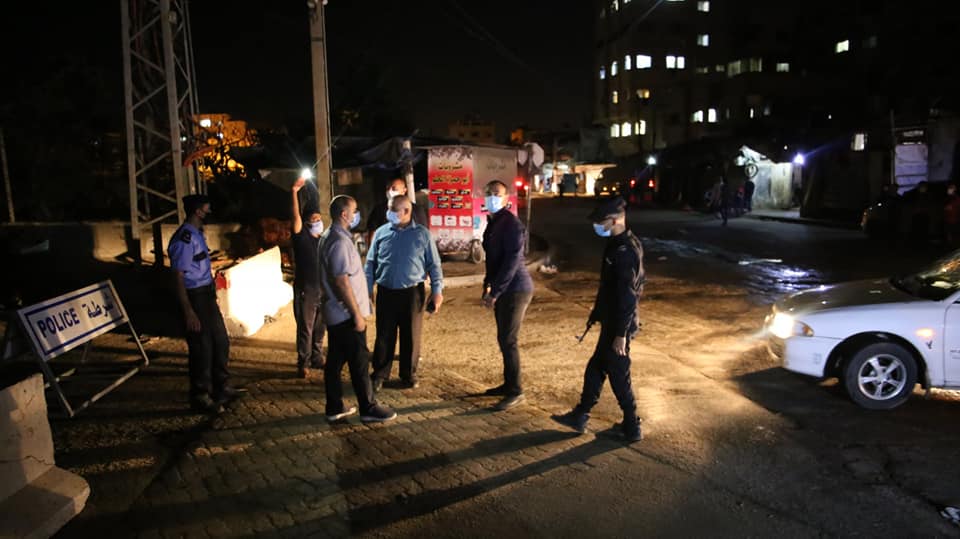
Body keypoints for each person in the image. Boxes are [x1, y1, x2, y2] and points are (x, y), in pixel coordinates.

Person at [552, 197, 645, 443]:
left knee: (618, 373)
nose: (597, 226)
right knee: (597, 367)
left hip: (619, 325)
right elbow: (608, 288)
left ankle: (632, 425)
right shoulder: (617, 243)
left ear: (615, 220)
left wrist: (621, 334)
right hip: (612, 320)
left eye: (600, 221)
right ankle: (581, 414)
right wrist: (597, 312)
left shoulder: (625, 251)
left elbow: (627, 296)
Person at [319, 195, 397, 423]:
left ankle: (334, 406)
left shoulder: (331, 236)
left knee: (335, 361)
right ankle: (368, 407)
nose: (356, 215)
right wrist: (356, 314)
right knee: (359, 362)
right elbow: (342, 280)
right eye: (354, 211)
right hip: (345, 315)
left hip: (336, 313)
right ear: (344, 215)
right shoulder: (338, 241)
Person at [168, 194, 242, 414]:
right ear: (198, 212)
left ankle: (222, 386)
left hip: (206, 295)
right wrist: (188, 310)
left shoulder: (198, 235)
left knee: (221, 341)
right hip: (194, 297)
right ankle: (200, 395)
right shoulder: (183, 239)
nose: (209, 214)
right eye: (207, 210)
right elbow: (178, 276)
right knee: (202, 347)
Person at [366, 195, 444, 391]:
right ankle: (380, 374)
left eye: (393, 210)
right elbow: (370, 263)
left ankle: (408, 374)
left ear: (407, 212)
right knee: (384, 335)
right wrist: (368, 289)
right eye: (389, 209)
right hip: (385, 291)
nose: (388, 213)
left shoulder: (422, 235)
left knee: (411, 335)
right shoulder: (382, 233)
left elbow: (434, 265)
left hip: (412, 293)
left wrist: (437, 291)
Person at [481, 180, 534, 411]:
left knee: (509, 340)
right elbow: (493, 262)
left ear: (506, 199)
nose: (492, 197)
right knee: (503, 338)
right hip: (504, 288)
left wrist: (497, 291)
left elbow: (512, 262)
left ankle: (516, 390)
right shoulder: (493, 222)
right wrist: (487, 287)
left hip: (517, 289)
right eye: (489, 193)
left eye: (497, 194)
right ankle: (508, 384)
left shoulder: (511, 225)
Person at [291, 177, 326, 379]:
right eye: (313, 219)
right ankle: (302, 362)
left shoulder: (323, 240)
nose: (317, 222)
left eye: (319, 219)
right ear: (305, 222)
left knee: (321, 325)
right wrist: (294, 192)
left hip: (323, 288)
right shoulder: (301, 236)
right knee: (306, 326)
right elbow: (294, 215)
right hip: (307, 288)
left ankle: (317, 357)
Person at [366, 178, 429, 246]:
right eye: (388, 188)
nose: (390, 191)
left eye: (394, 188)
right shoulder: (379, 210)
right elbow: (372, 233)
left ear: (404, 190)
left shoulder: (416, 210)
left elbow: (423, 234)